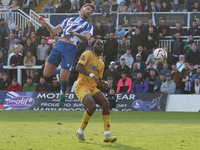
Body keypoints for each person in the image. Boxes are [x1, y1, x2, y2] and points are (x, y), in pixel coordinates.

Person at [40, 3, 94, 103]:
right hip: (59, 45)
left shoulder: (88, 25)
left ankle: (63, 92)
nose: (89, 11)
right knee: (46, 74)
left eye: (91, 11)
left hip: (70, 48)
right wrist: (46, 23)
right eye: (88, 8)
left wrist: (77, 34)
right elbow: (53, 31)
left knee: (63, 79)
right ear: (82, 9)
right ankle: (61, 70)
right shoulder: (68, 20)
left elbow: (87, 37)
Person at [75, 39, 117, 142]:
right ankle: (80, 132)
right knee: (92, 106)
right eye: (98, 44)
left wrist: (104, 83)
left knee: (106, 103)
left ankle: (107, 134)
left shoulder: (101, 63)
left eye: (102, 44)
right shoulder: (87, 54)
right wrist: (91, 75)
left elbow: (98, 80)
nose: (101, 46)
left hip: (92, 87)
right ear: (93, 45)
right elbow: (78, 67)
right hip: (82, 86)